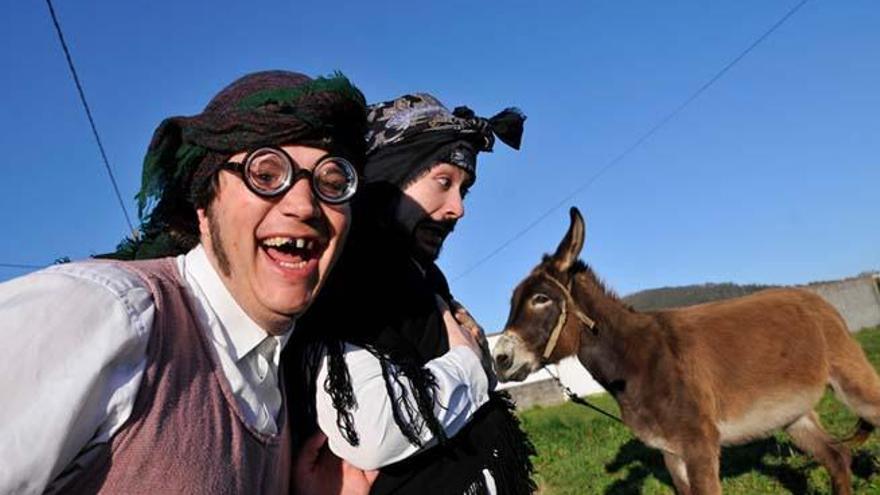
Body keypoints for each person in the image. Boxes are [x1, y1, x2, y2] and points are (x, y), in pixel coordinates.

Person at [0, 70, 372, 494]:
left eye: (332, 183)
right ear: (203, 203)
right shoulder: (106, 313)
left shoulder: (280, 390)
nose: (305, 205)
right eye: (265, 175)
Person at [289, 93, 536, 494]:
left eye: (464, 190)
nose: (458, 207)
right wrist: (468, 364)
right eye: (443, 183)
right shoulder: (348, 282)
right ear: (391, 179)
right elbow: (371, 430)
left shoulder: (423, 282)